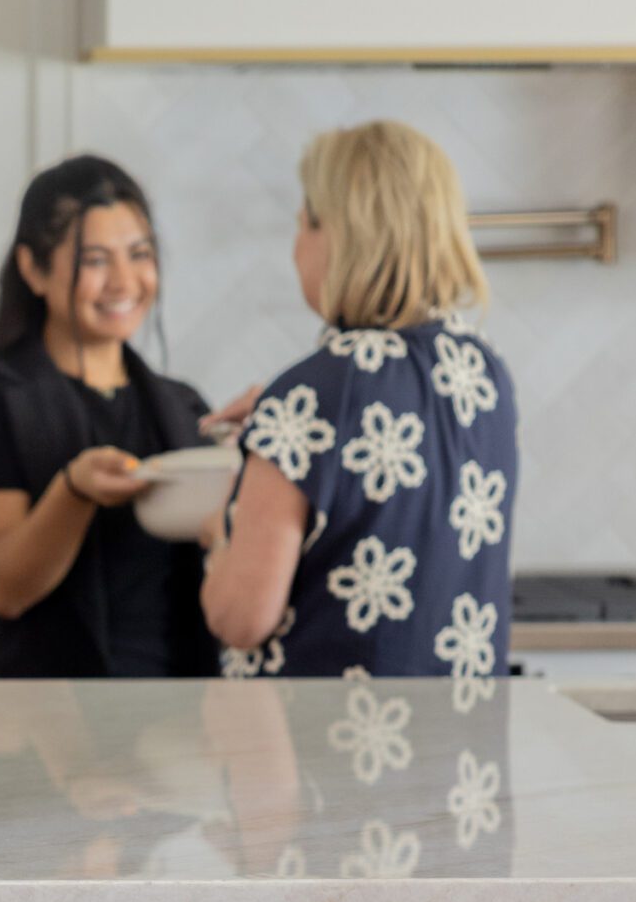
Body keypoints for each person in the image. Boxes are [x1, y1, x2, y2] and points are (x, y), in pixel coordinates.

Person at [202, 121, 517, 702]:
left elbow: (242, 618)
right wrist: (272, 434)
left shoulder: (312, 394)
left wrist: (217, 523)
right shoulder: (487, 376)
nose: (297, 247)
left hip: (329, 763)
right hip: (460, 757)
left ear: (337, 237)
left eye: (302, 224)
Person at [0, 155, 217, 679]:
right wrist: (74, 492)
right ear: (34, 269)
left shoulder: (184, 408)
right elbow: (4, 590)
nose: (124, 281)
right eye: (95, 260)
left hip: (171, 720)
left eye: (139, 254)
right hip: (27, 720)